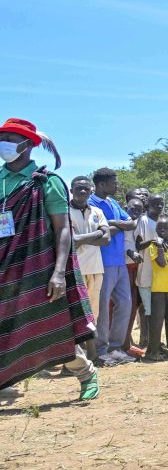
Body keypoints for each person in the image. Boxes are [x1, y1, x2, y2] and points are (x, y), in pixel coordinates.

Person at [0, 118, 99, 401]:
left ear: (27, 145)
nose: (2, 143)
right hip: (4, 265)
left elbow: (63, 228)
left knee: (50, 326)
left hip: (36, 265)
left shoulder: (47, 182)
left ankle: (85, 372)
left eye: (8, 137)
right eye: (1, 137)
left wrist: (58, 272)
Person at [88, 168, 139, 365]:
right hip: (103, 262)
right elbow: (99, 230)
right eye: (113, 182)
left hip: (119, 262)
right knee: (101, 307)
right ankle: (101, 350)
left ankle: (115, 347)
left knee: (125, 304)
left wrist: (110, 225)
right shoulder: (91, 204)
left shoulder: (113, 202)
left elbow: (132, 223)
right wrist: (118, 226)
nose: (116, 185)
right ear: (101, 184)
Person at [68, 176, 110, 362]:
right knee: (74, 314)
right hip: (74, 270)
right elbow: (71, 241)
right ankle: (75, 360)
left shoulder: (97, 211)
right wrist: (96, 235)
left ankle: (92, 356)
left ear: (91, 191)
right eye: (79, 188)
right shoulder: (64, 211)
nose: (82, 192)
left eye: (86, 189)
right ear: (71, 190)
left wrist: (82, 238)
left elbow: (106, 238)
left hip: (95, 268)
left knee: (93, 313)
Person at [137, 215, 168, 362]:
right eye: (159, 228)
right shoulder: (154, 246)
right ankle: (153, 351)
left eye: (165, 227)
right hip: (159, 289)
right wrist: (160, 246)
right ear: (156, 229)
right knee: (157, 321)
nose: (162, 230)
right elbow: (161, 263)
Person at [121, 196, 145, 356]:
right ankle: (120, 344)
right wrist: (131, 252)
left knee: (132, 307)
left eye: (139, 209)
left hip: (136, 267)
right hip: (123, 267)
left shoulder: (139, 223)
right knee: (121, 306)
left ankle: (126, 343)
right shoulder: (122, 221)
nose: (135, 212)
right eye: (133, 208)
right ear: (125, 206)